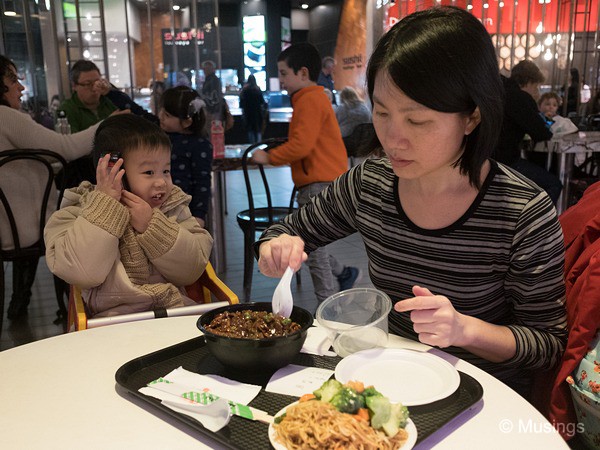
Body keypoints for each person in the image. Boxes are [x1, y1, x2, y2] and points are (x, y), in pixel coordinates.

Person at [254, 7, 567, 398]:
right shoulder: (372, 182)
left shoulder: (523, 212)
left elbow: (548, 343)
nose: (393, 139)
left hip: (483, 398)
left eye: (417, 121)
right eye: (382, 113)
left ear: (471, 118)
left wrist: (464, 329)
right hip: (390, 381)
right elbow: (285, 231)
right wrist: (275, 248)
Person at [44, 114, 213, 318]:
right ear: (113, 170)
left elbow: (191, 269)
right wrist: (105, 207)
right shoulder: (77, 211)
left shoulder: (174, 208)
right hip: (111, 324)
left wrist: (153, 226)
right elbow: (83, 272)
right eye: (149, 172)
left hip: (172, 314)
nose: (161, 182)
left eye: (166, 171)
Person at [251, 42, 360, 302]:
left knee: (311, 248)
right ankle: (344, 273)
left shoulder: (309, 100)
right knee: (314, 246)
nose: (282, 80)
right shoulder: (312, 97)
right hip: (323, 179)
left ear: (302, 73)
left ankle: (326, 311)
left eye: (284, 73)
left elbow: (302, 145)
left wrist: (269, 157)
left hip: (317, 182)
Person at [0, 55, 103, 319]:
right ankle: (82, 308)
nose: (21, 88)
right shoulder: (7, 117)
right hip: (23, 230)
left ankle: (20, 304)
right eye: (13, 80)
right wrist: (109, 123)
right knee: (90, 212)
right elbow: (66, 149)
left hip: (10, 224)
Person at [494, 60, 562, 204]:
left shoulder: (500, 91)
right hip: (505, 162)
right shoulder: (519, 97)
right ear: (529, 82)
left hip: (488, 160)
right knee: (553, 184)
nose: (537, 90)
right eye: (536, 86)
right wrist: (533, 103)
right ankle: (537, 223)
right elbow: (542, 133)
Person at [158, 86, 212, 228]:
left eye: (167, 115)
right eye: (161, 110)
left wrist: (199, 215)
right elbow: (140, 113)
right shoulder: (160, 137)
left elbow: (202, 182)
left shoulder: (200, 145)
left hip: (185, 211)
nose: (160, 116)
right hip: (160, 206)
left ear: (187, 122)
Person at [59, 60, 119, 186]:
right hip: (85, 172)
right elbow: (74, 146)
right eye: (87, 84)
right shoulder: (66, 110)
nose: (94, 88)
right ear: (74, 86)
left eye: (97, 82)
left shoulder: (110, 102)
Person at [239, 74, 267, 144]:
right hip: (257, 113)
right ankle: (258, 144)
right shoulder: (257, 90)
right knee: (258, 130)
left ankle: (251, 145)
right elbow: (262, 102)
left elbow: (241, 104)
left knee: (250, 130)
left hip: (248, 113)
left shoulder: (245, 90)